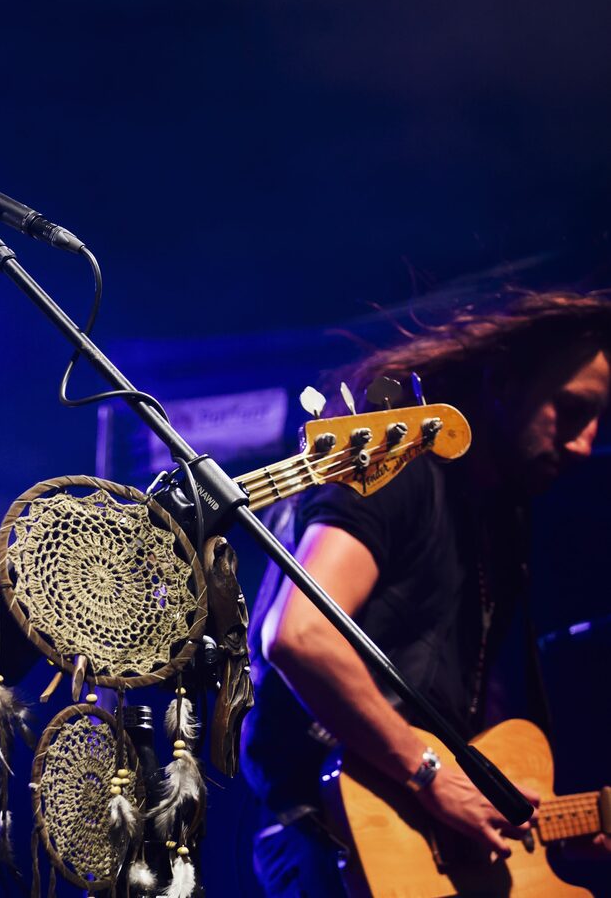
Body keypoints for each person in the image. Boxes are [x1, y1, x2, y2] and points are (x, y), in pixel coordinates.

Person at [242, 290, 611, 896]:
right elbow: (299, 635)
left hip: (413, 846)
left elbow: (464, 745)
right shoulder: (398, 469)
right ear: (506, 381)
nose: (585, 444)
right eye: (570, 411)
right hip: (329, 839)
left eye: (599, 422)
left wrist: (534, 821)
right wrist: (428, 774)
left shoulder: (499, 523)